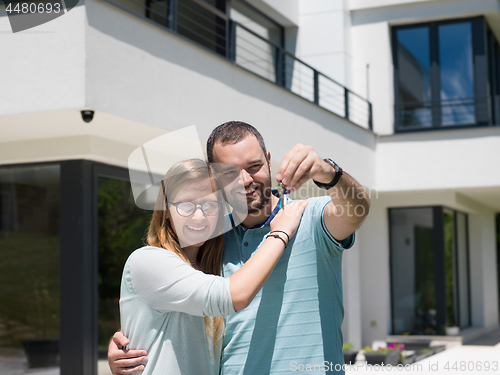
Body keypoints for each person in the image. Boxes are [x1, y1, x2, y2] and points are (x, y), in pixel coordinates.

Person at [110, 122, 370, 375]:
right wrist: (133, 340)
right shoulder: (210, 238)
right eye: (229, 173)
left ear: (269, 160)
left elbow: (357, 210)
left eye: (254, 166)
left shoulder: (309, 216)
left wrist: (330, 174)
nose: (245, 180)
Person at [118, 158, 309, 374]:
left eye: (210, 205)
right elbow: (235, 295)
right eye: (186, 205)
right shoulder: (148, 261)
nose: (199, 217)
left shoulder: (210, 268)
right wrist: (280, 232)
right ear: (166, 210)